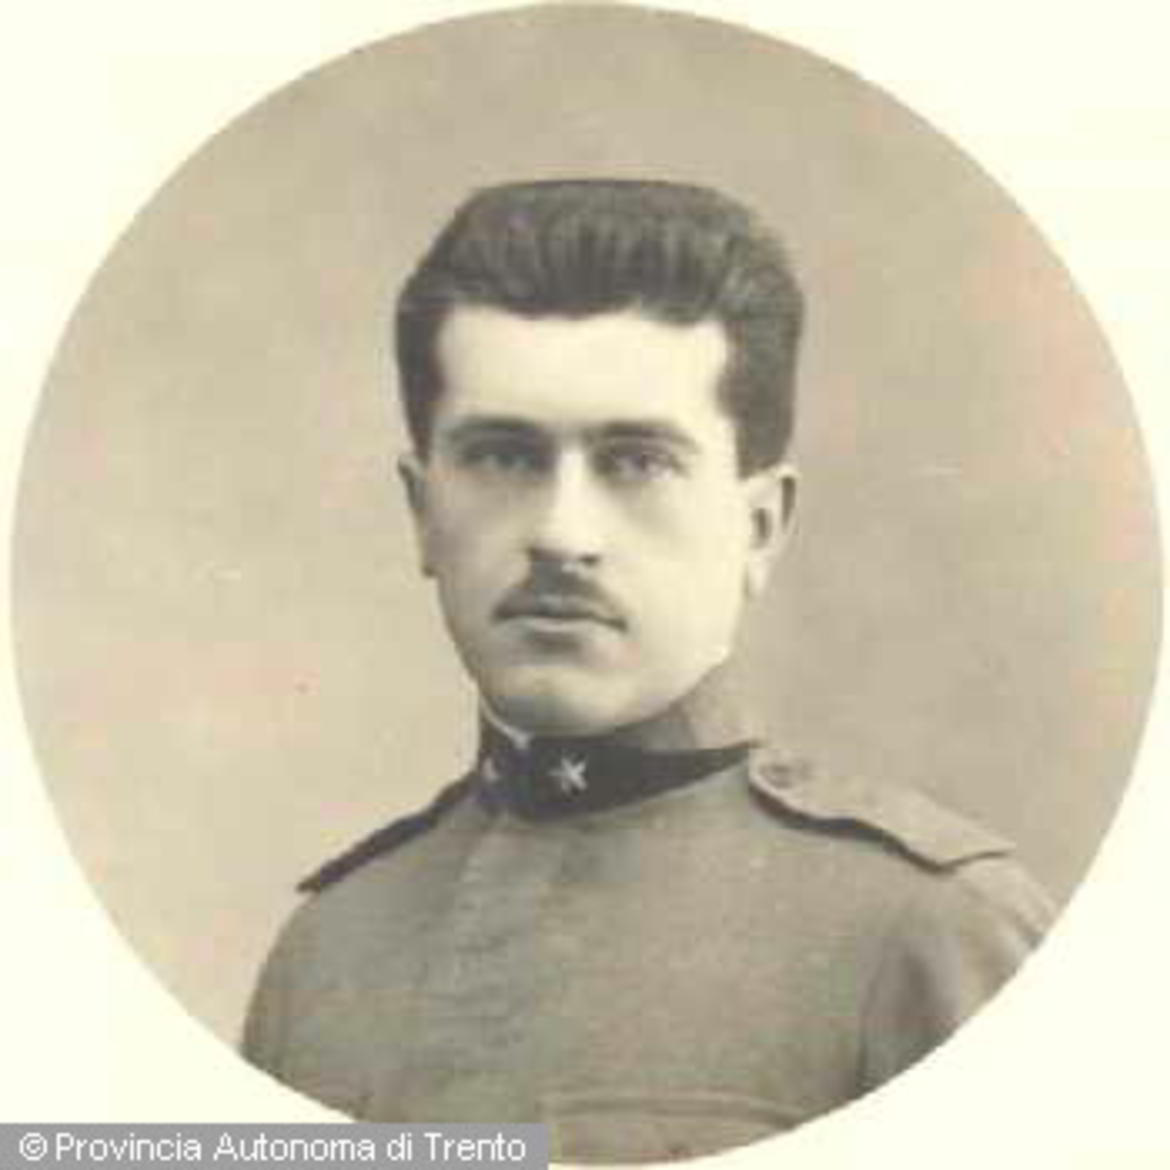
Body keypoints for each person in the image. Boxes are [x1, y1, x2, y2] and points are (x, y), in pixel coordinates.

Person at [242, 179, 1051, 1162]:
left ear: (760, 526)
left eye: (637, 462)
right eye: (502, 457)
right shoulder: (329, 951)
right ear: (422, 512)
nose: (561, 533)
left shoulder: (930, 928)